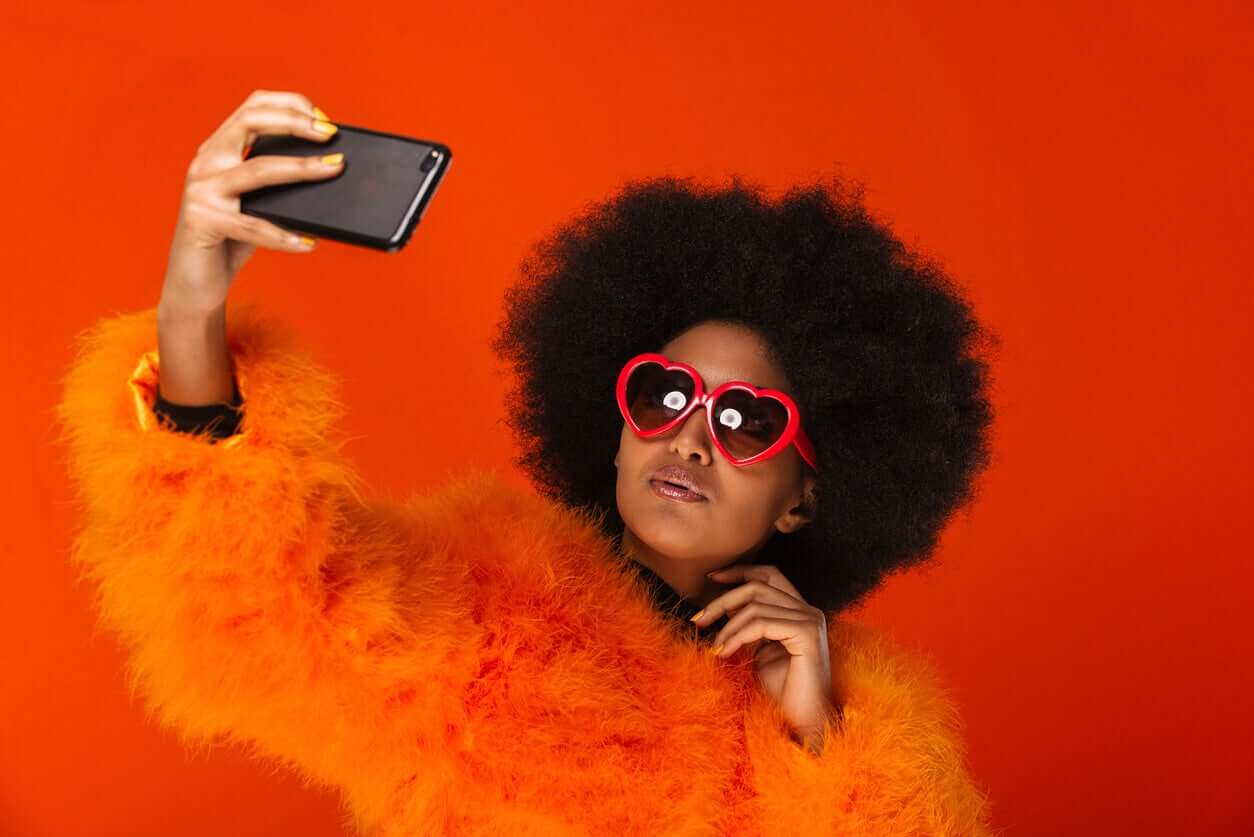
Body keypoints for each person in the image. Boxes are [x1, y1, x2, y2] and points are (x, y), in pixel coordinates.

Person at [55, 89, 1000, 835]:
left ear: (804, 497)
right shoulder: (492, 606)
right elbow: (257, 601)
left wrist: (813, 733)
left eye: (749, 420)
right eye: (665, 393)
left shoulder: (856, 716)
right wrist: (190, 309)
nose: (691, 435)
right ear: (621, 424)